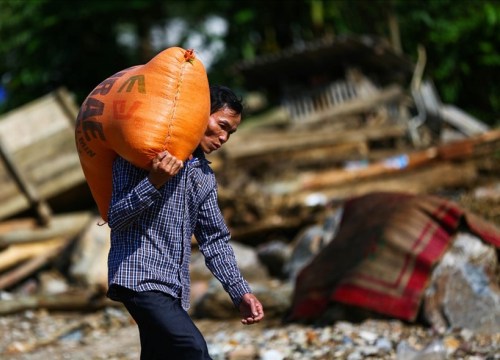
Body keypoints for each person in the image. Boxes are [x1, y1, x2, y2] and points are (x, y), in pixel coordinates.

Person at [106, 85, 264, 360]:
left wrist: (241, 293)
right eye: (222, 125)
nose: (224, 137)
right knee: (193, 349)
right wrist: (154, 182)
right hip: (138, 278)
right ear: (199, 113)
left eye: (231, 132)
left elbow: (214, 240)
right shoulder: (140, 154)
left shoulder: (203, 176)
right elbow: (116, 218)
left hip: (172, 288)